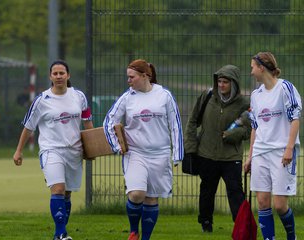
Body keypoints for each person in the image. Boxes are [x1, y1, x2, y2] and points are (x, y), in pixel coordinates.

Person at [103, 59, 184, 240]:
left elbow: (175, 125)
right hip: (135, 153)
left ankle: (145, 238)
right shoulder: (127, 97)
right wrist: (116, 146)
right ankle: (134, 231)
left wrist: (177, 154)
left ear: (145, 76)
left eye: (132, 77)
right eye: (128, 77)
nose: (128, 81)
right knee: (137, 193)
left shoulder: (164, 95)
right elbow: (109, 121)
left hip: (160, 154)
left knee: (151, 199)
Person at [13, 60, 93, 240]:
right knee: (57, 189)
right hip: (51, 150)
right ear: (50, 77)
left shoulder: (79, 96)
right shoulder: (42, 100)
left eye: (62, 73)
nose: (58, 76)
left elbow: (88, 123)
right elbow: (28, 127)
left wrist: (92, 148)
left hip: (74, 151)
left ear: (68, 75)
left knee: (67, 193)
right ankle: (60, 234)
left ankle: (61, 231)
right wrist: (19, 151)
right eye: (55, 73)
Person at [184, 65, 251, 233]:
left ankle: (241, 226)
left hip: (231, 157)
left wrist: (232, 134)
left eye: (225, 82)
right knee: (207, 191)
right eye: (219, 81)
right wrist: (191, 148)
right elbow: (192, 122)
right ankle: (206, 223)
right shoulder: (207, 97)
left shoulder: (244, 104)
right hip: (206, 154)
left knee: (236, 192)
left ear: (234, 84)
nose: (221, 85)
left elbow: (249, 130)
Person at [244, 52, 301, 240]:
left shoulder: (286, 88)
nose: (251, 72)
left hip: (281, 152)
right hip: (261, 152)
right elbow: (255, 128)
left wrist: (289, 148)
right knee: (262, 202)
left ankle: (291, 237)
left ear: (262, 67)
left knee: (279, 205)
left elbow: (295, 119)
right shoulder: (255, 95)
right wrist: (250, 156)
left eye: (253, 67)